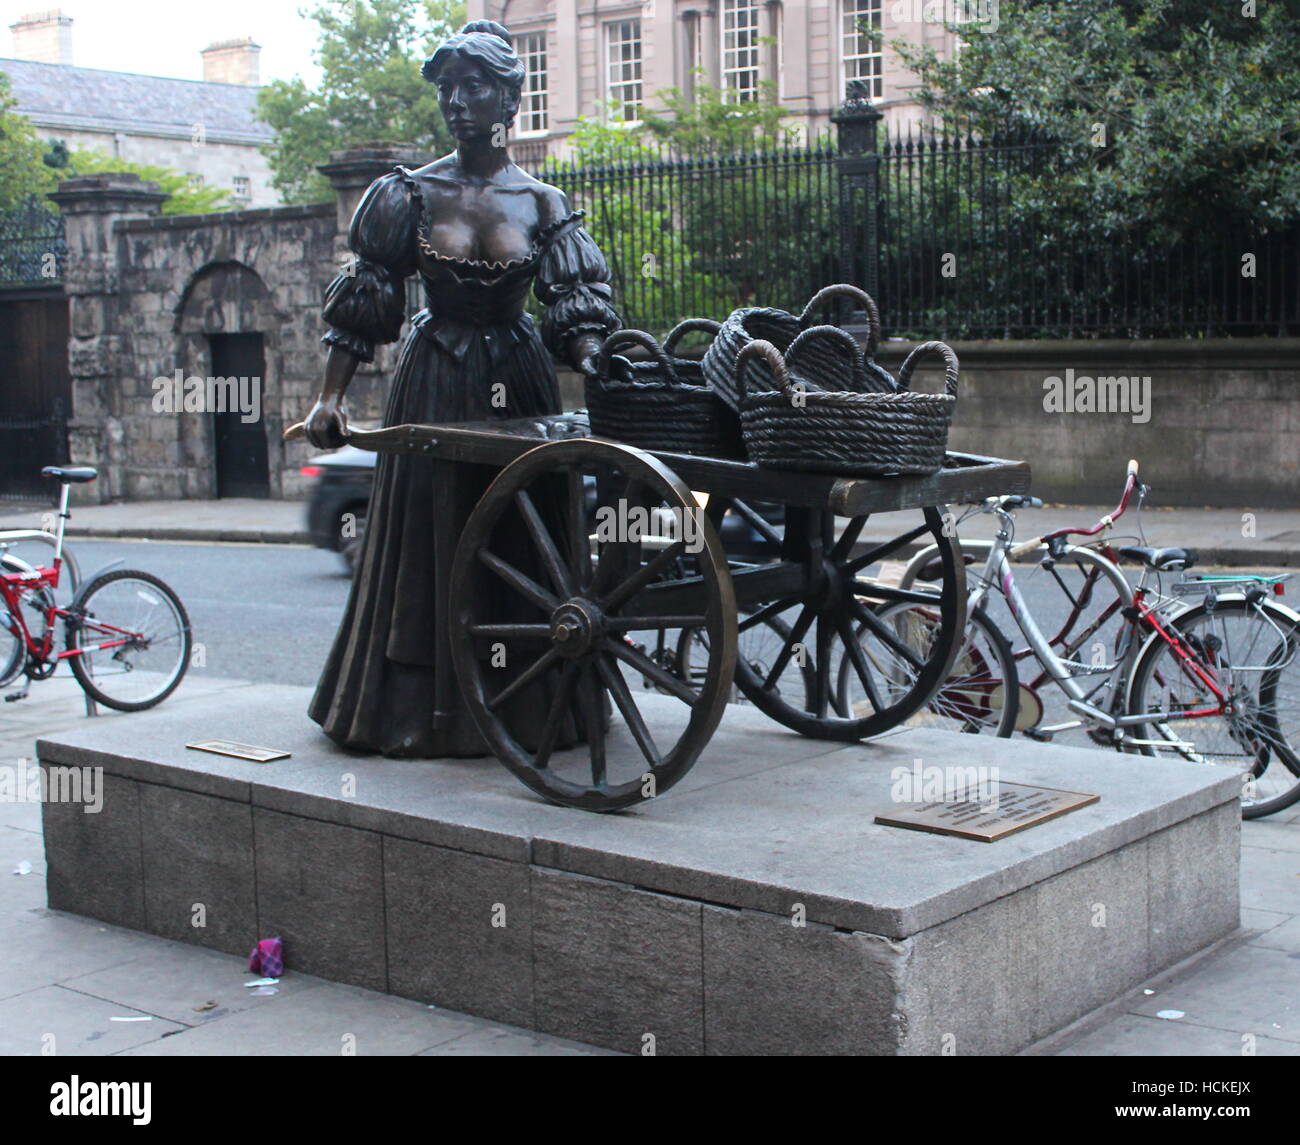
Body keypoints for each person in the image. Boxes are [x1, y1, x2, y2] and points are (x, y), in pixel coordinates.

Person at [301, 20, 621, 757]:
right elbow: (368, 297)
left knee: (522, 537)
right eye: (447, 87)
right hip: (438, 378)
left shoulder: (542, 202)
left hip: (519, 376)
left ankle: (534, 704)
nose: (457, 101)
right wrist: (330, 396)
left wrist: (595, 355)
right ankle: (423, 709)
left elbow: (575, 303)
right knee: (431, 539)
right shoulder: (409, 194)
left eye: (474, 85)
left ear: (509, 97)